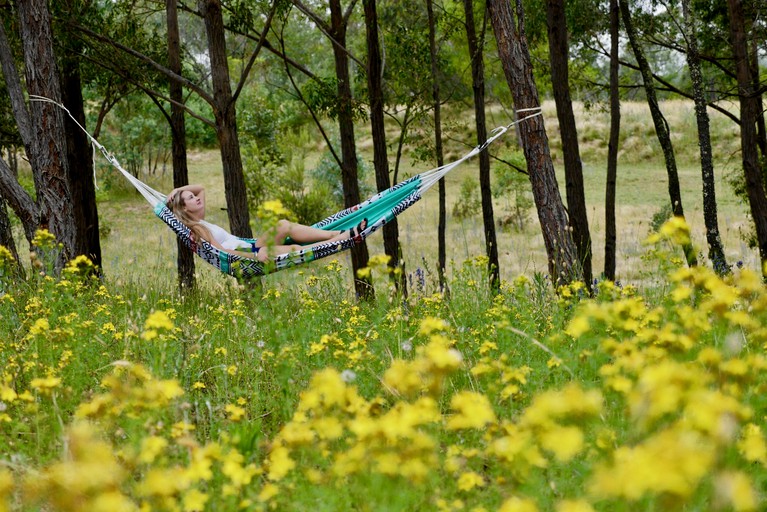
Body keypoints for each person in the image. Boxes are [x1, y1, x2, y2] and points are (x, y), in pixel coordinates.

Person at [166, 184, 366, 263]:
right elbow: (221, 253)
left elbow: (200, 189)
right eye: (191, 199)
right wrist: (252, 257)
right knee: (293, 249)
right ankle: (340, 239)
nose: (197, 199)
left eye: (193, 197)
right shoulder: (197, 228)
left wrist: (177, 190)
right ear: (184, 209)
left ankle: (333, 234)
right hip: (250, 254)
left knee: (283, 225)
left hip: (252, 245)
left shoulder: (199, 219)